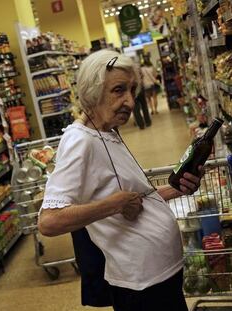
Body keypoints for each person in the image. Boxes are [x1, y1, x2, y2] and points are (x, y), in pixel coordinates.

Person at [38, 49, 203, 311]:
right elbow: (49, 221)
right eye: (118, 90)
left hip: (159, 275)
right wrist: (114, 204)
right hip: (140, 286)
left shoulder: (108, 132)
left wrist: (175, 189)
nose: (130, 101)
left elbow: (134, 197)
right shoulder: (79, 141)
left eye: (132, 90)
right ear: (92, 91)